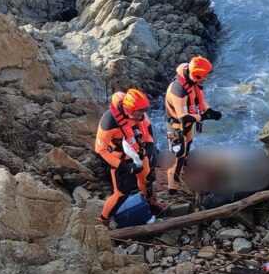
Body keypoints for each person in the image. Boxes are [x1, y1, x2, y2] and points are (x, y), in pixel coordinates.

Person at [94, 88, 165, 226]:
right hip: (119, 159)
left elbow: (147, 129)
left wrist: (150, 145)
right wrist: (125, 166)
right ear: (128, 110)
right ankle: (104, 219)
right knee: (121, 193)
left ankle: (151, 203)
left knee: (147, 180)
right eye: (138, 114)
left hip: (138, 152)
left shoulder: (140, 114)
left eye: (143, 113)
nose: (141, 116)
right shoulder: (109, 122)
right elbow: (101, 150)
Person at [164, 55, 222, 194]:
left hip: (188, 124)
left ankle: (184, 166)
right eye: (205, 76)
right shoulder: (178, 91)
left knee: (188, 145)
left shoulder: (192, 79)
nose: (206, 78)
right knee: (177, 156)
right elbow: (183, 118)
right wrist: (203, 116)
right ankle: (173, 187)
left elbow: (199, 99)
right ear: (196, 75)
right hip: (177, 127)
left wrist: (209, 111)